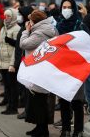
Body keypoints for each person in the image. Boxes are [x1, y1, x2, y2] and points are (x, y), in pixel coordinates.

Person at [20, 9, 58, 137]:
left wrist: (26, 31)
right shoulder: (49, 29)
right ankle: (39, 127)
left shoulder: (40, 33)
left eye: (30, 20)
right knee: (38, 101)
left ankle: (43, 130)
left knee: (39, 102)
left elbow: (24, 44)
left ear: (34, 21)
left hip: (38, 70)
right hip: (43, 69)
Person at [56, 0, 90, 137]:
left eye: (69, 7)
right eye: (64, 7)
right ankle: (65, 129)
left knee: (77, 101)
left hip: (77, 68)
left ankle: (78, 130)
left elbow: (89, 44)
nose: (66, 10)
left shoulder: (80, 25)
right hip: (61, 67)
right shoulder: (57, 26)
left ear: (74, 8)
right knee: (63, 100)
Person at [0, 8, 21, 115]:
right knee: (7, 86)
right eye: (5, 16)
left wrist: (12, 64)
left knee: (13, 86)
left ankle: (13, 108)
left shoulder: (17, 29)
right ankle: (9, 106)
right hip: (2, 62)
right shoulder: (3, 29)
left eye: (9, 16)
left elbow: (17, 49)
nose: (6, 18)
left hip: (10, 63)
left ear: (13, 16)